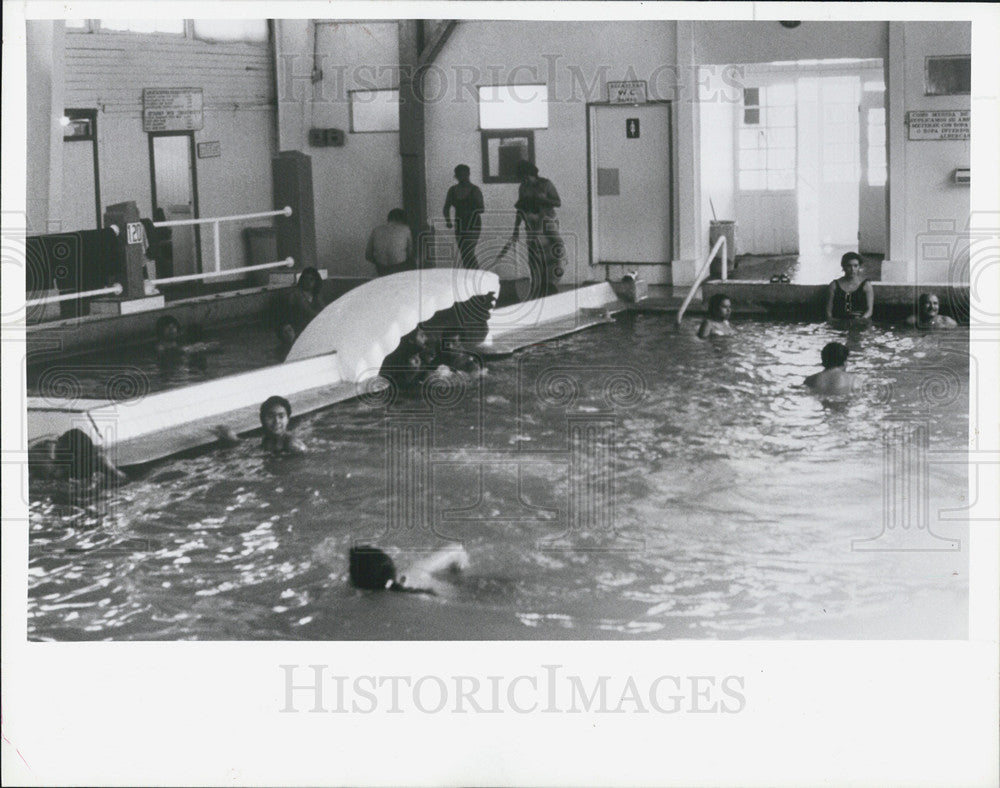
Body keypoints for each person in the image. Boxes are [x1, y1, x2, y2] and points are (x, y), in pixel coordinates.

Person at [510, 161, 564, 298]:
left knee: (552, 255)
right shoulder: (523, 187)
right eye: (523, 178)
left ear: (533, 174)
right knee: (534, 254)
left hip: (547, 222)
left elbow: (558, 202)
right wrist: (516, 228)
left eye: (526, 177)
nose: (525, 180)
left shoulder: (546, 184)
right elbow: (520, 208)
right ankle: (537, 286)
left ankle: (551, 287)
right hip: (531, 223)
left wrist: (544, 199)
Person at [348, 543, 469, 594]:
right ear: (391, 564)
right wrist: (458, 575)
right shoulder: (414, 573)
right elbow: (456, 549)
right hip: (473, 589)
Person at [214, 395, 307, 455]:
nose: (276, 421)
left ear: (288, 419)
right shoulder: (267, 440)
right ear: (262, 419)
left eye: (281, 416)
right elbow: (247, 444)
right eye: (271, 416)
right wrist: (233, 438)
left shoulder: (293, 446)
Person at [443, 164, 485, 269]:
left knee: (468, 252)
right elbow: (446, 207)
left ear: (468, 175)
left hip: (473, 225)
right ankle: (470, 277)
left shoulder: (475, 190)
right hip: (460, 225)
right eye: (459, 175)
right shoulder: (452, 190)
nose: (461, 177)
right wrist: (448, 221)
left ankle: (478, 276)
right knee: (464, 254)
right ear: (456, 176)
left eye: (464, 175)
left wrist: (467, 209)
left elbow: (482, 209)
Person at [276, 267, 326, 346]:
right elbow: (310, 313)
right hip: (295, 329)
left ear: (316, 281)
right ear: (302, 280)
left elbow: (324, 309)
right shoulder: (297, 293)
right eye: (306, 279)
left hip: (308, 326)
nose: (308, 282)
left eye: (311, 279)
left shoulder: (315, 294)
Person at [825, 252, 874, 322]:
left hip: (859, 322)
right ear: (843, 267)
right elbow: (828, 311)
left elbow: (869, 310)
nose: (852, 269)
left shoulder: (866, 285)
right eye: (849, 266)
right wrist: (833, 322)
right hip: (839, 321)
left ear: (859, 267)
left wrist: (861, 320)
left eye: (855, 266)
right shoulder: (834, 285)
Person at [365, 209, 415, 277]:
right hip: (399, 267)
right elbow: (410, 253)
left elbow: (368, 255)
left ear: (388, 218)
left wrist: (379, 262)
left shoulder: (376, 230)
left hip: (381, 269)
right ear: (403, 219)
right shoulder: (405, 229)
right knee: (414, 263)